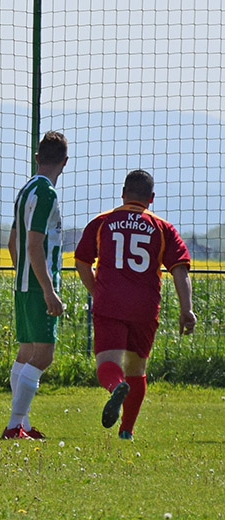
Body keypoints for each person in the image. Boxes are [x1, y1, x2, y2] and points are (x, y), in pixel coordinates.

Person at [75, 169, 196, 440]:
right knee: (136, 368)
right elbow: (180, 269)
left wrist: (97, 292)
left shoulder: (102, 222)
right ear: (151, 198)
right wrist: (186, 309)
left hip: (110, 303)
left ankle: (116, 387)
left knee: (107, 363)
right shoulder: (163, 228)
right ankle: (126, 431)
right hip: (145, 306)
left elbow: (82, 262)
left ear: (123, 193)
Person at [3, 130, 69, 440]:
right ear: (65, 162)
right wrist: (47, 289)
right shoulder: (46, 193)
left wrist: (23, 276)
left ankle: (23, 425)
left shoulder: (26, 189)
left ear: (37, 158)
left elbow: (12, 243)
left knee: (26, 352)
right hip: (37, 285)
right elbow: (33, 245)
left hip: (23, 284)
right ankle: (14, 425)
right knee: (43, 356)